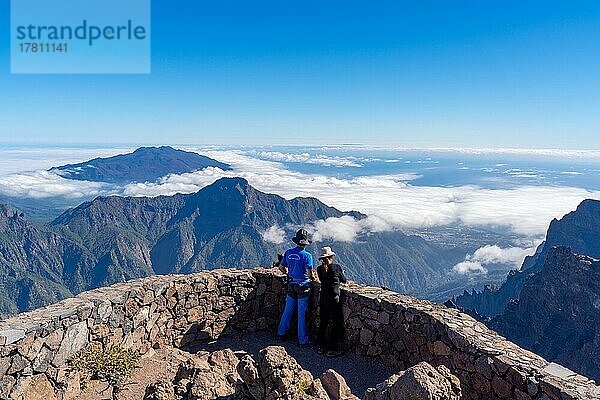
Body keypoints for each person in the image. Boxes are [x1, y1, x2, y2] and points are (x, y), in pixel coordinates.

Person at [277, 228, 318, 346]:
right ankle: (302, 340)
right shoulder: (307, 256)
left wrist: (287, 273)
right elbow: (309, 273)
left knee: (288, 310)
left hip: (291, 284)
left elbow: (281, 267)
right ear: (305, 243)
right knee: (301, 313)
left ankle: (281, 334)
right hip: (303, 286)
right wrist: (313, 278)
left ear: (296, 241)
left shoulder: (289, 253)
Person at [316, 246, 347, 357]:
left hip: (323, 298)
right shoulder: (336, 268)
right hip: (334, 300)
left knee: (323, 322)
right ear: (332, 257)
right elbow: (344, 280)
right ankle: (332, 349)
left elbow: (322, 281)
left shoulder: (319, 269)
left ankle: (320, 346)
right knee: (337, 323)